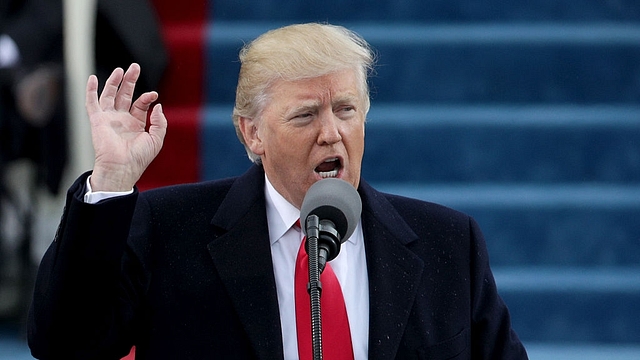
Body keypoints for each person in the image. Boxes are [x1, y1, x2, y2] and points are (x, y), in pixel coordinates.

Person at [27, 23, 529, 359]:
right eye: (306, 114)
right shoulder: (167, 229)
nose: (331, 132)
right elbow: (65, 343)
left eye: (347, 110)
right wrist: (112, 183)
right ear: (252, 133)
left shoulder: (448, 242)